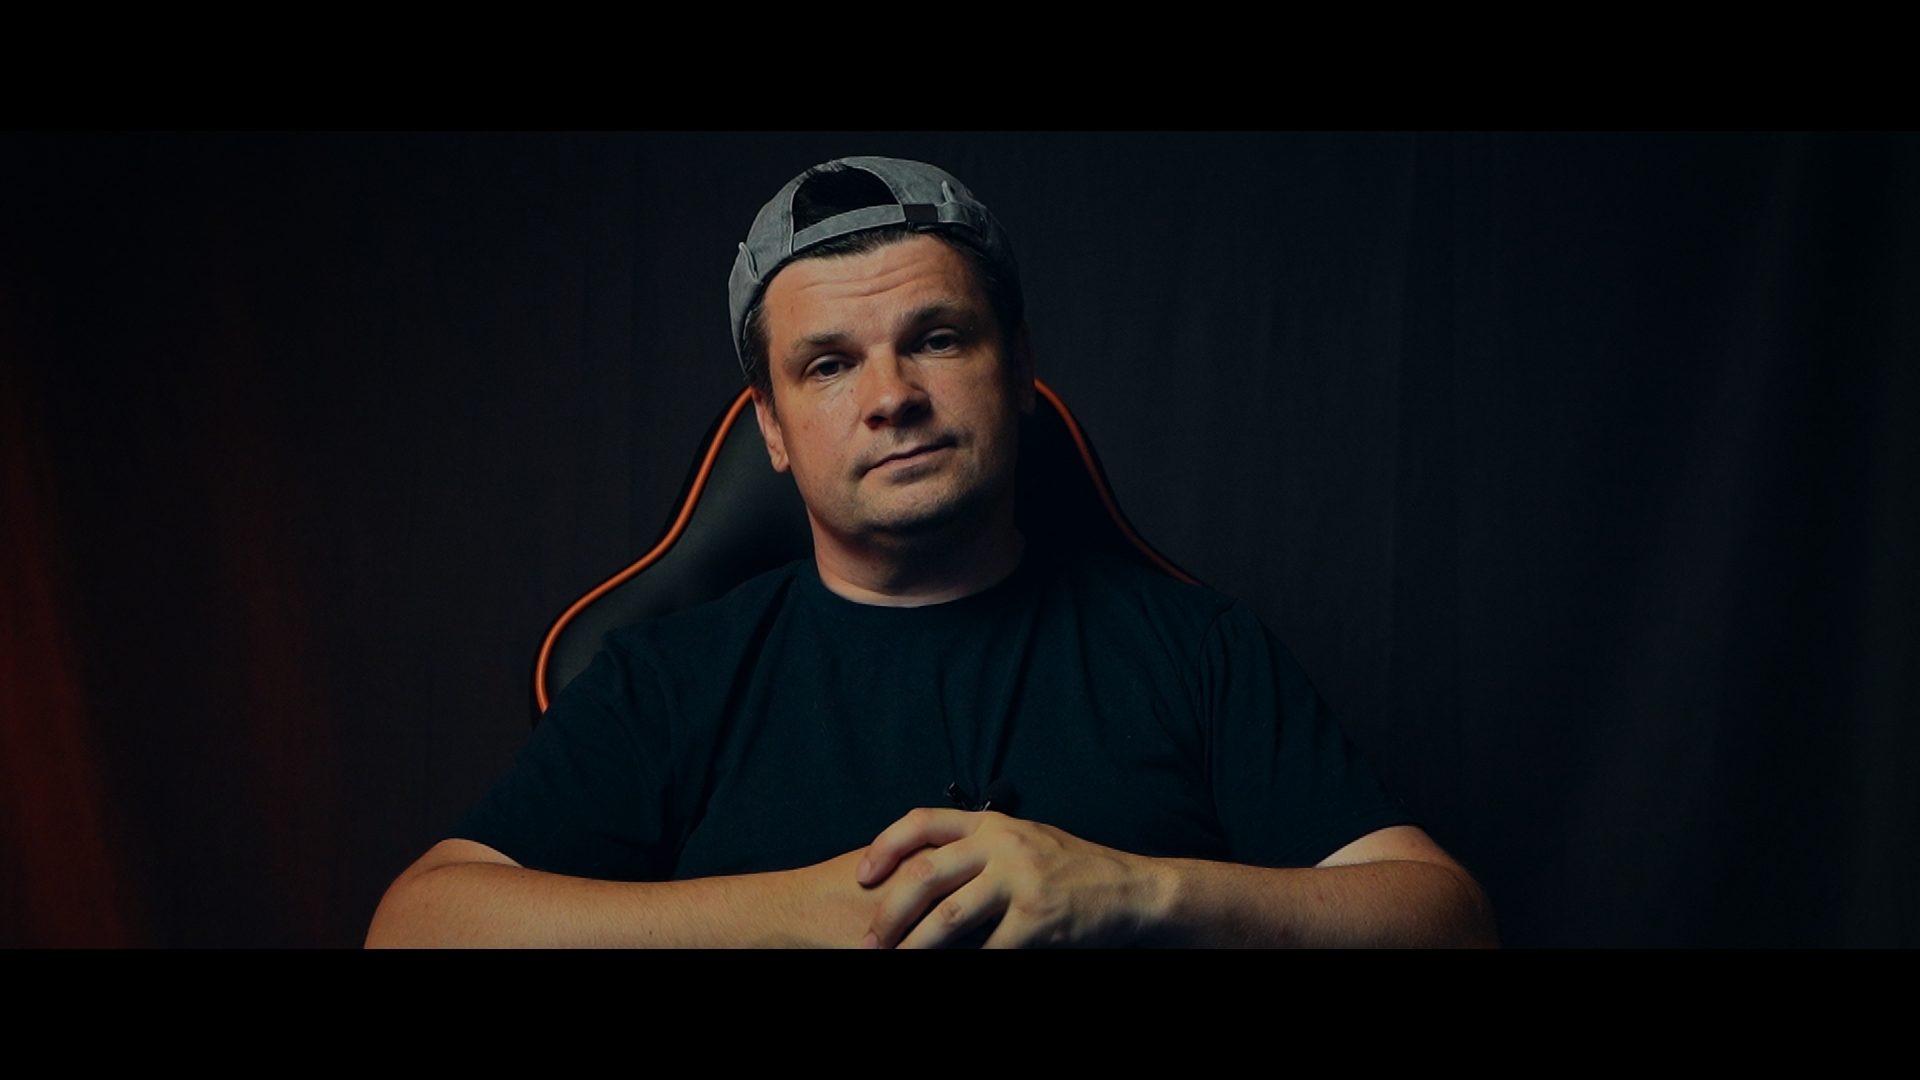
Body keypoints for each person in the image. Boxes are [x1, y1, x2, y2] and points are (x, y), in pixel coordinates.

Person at [366, 157, 1498, 948]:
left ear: (1019, 369)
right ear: (771, 429)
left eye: (938, 339)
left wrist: (1134, 892)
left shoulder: (1197, 649)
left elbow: (1448, 919)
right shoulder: (667, 680)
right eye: (828, 365)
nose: (891, 396)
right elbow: (417, 926)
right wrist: (788, 914)